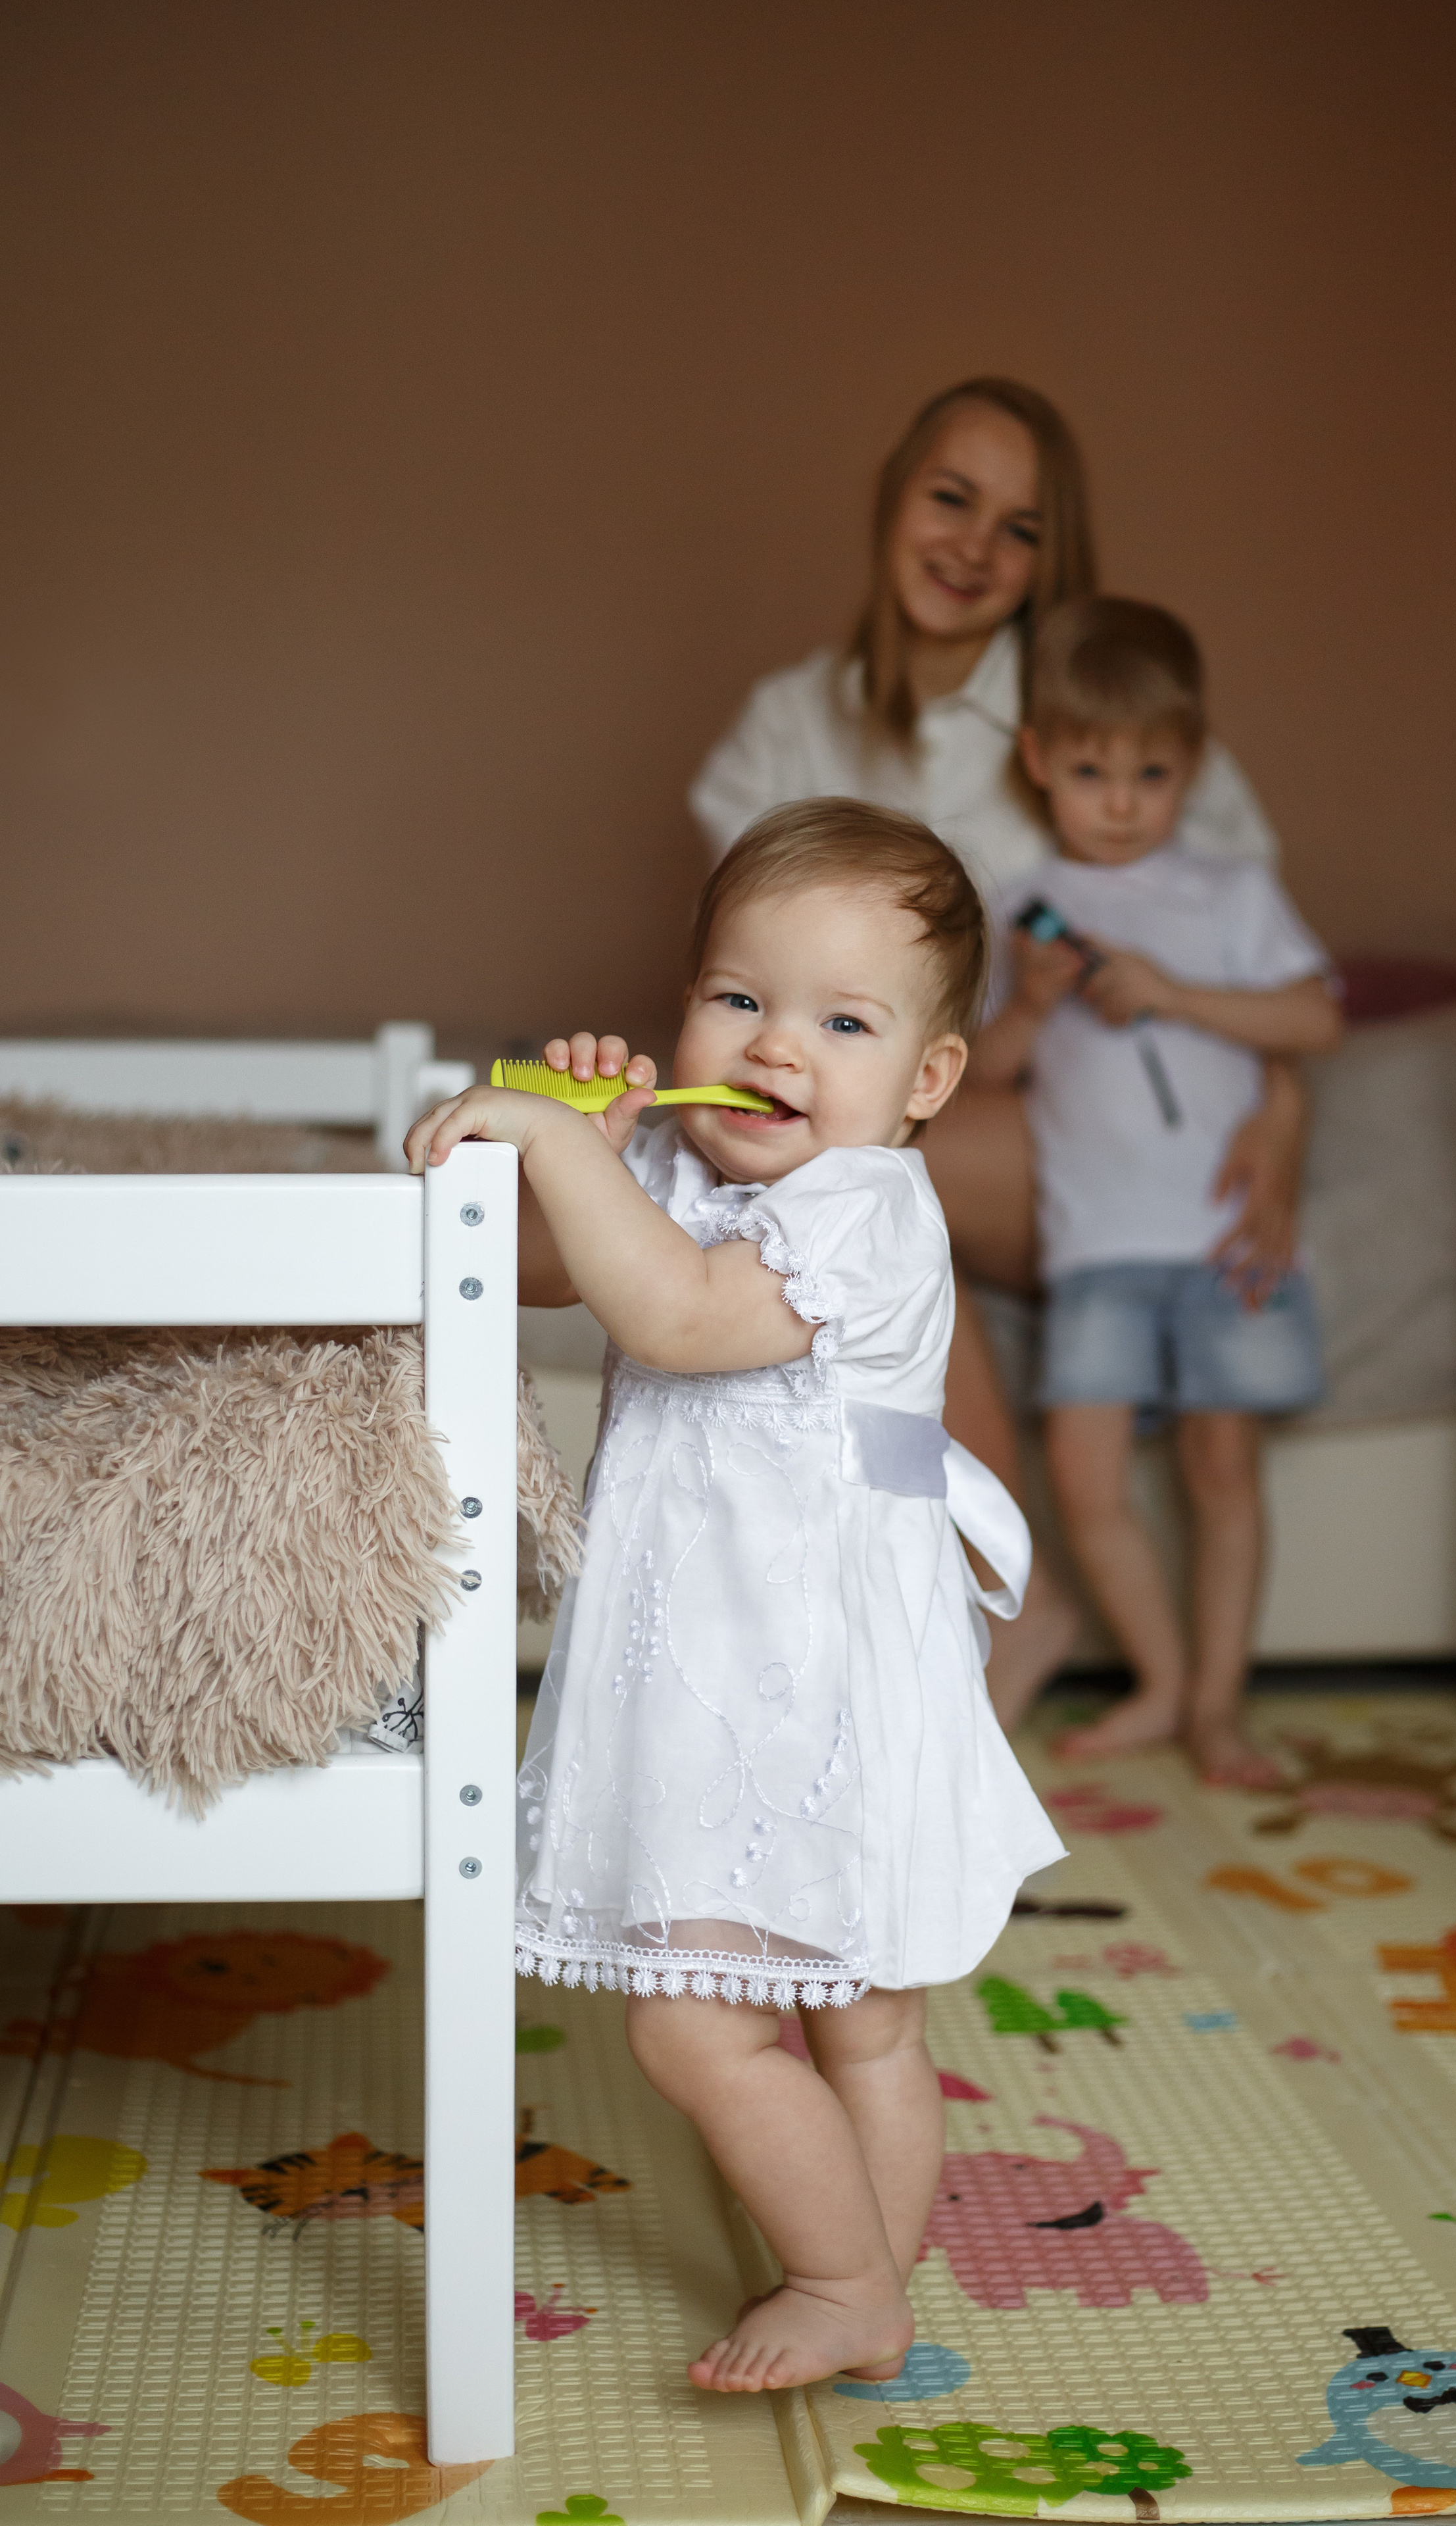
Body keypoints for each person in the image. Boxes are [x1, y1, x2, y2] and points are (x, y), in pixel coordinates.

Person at [406, 801, 1064, 2396]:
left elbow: (685, 1319)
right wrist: (552, 1139)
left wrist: (569, 1150)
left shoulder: (866, 1209)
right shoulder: (681, 1164)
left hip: (810, 1679)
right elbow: (544, 1275)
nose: (774, 1047)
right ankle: (868, 2285)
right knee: (858, 2021)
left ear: (924, 1082)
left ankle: (843, 2284)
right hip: (730, 1665)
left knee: (695, 2029)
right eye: (738, 998)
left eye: (841, 1023)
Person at [691, 377, 1307, 1724]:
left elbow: (1246, 936)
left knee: (864, 1175)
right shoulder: (790, 724)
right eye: (949, 499)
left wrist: (1284, 1122)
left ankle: (1000, 1592)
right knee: (866, 1172)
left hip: (1108, 1130)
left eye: (1019, 528)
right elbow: (752, 970)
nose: (973, 547)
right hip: (943, 1108)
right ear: (891, 500)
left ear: (1051, 556)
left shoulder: (1100, 714)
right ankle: (995, 1589)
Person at [971, 597, 1342, 1784]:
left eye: (1152, 774)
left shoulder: (1231, 895)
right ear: (1040, 760)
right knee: (1084, 1480)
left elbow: (1316, 1017)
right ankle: (1165, 1680)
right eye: (1091, 772)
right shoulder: (1024, 912)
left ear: (1194, 763)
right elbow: (977, 1075)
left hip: (1220, 1237)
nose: (1122, 803)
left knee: (1222, 1469)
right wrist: (1034, 1006)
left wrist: (1172, 993)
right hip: (1094, 1245)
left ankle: (1219, 1707)